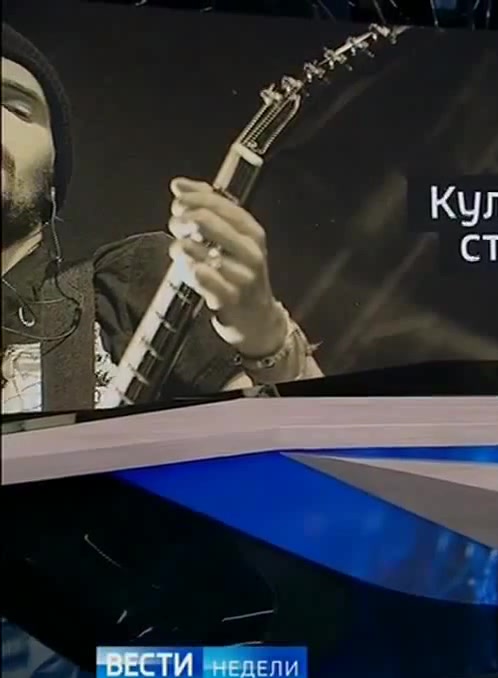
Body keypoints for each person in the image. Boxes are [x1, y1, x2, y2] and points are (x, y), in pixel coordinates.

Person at [1, 22, 322, 414]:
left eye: (15, 108)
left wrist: (265, 334)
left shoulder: (128, 283)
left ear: (53, 182)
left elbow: (301, 437)